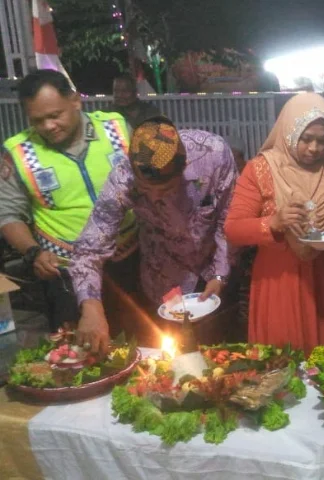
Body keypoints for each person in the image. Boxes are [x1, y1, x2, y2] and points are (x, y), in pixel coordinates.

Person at [70, 117, 237, 352]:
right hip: (163, 282)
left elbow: (228, 219)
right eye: (146, 191)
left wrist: (220, 274)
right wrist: (91, 307)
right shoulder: (122, 179)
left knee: (222, 359)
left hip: (215, 271)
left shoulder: (212, 154)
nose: (156, 198)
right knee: (171, 361)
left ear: (184, 166)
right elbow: (89, 250)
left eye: (166, 189)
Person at [0, 69, 138, 331]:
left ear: (75, 100)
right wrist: (33, 252)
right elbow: (7, 214)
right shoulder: (18, 153)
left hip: (128, 260)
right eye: (37, 121)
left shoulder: (117, 129)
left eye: (55, 115)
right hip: (64, 272)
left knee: (144, 343)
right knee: (79, 354)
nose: (48, 126)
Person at [224, 93, 324, 353]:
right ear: (288, 131)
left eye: (322, 140)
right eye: (306, 138)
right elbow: (233, 229)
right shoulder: (261, 169)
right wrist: (273, 223)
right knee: (283, 363)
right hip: (278, 282)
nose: (314, 148)